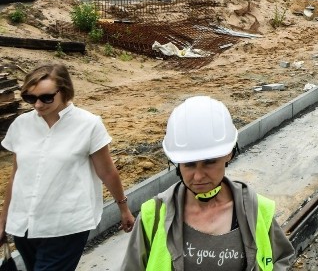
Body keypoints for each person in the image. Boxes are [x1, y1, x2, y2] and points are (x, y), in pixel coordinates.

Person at [122, 96, 295, 270]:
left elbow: (282, 259)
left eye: (209, 162)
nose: (198, 176)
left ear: (229, 154)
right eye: (189, 164)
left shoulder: (257, 210)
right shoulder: (154, 216)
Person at [1, 63, 135, 271]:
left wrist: (123, 208)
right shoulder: (21, 125)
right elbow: (16, 177)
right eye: (30, 98)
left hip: (65, 226)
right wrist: (3, 222)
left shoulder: (88, 124)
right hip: (24, 227)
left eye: (46, 97)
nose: (37, 105)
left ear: (64, 92)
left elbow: (107, 172)